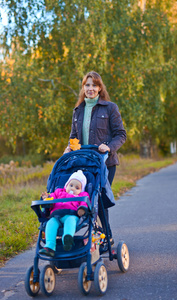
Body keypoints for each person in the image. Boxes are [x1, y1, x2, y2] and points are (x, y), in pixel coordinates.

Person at [64, 71, 126, 244]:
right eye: (87, 85)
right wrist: (69, 147)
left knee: (99, 199)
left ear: (100, 88)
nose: (90, 88)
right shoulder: (78, 110)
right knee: (82, 199)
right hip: (84, 164)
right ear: (83, 88)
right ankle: (90, 236)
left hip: (105, 164)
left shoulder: (110, 108)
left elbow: (121, 134)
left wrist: (109, 147)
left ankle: (107, 237)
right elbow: (74, 136)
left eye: (94, 85)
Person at [39, 170, 90, 257]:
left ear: (81, 189)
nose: (73, 188)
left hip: (72, 215)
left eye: (77, 188)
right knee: (50, 223)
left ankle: (67, 239)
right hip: (56, 216)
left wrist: (82, 209)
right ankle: (50, 247)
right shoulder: (58, 192)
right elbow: (51, 198)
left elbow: (84, 203)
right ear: (66, 185)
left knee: (70, 221)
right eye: (71, 185)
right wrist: (46, 198)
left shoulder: (82, 195)